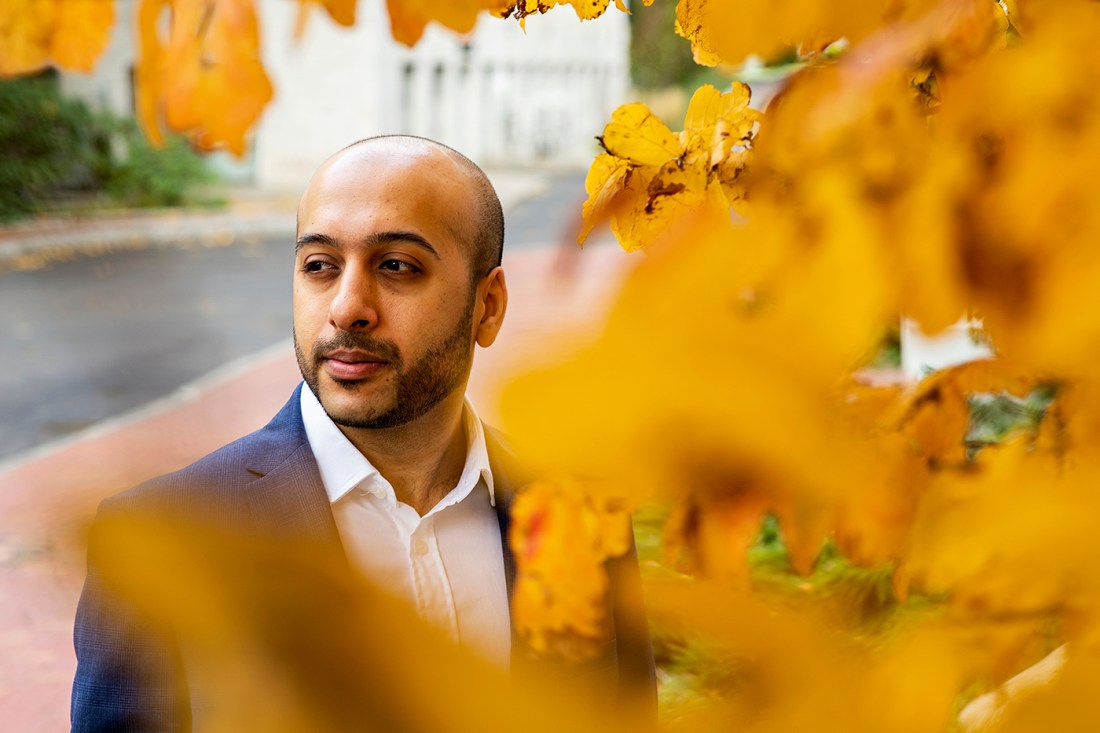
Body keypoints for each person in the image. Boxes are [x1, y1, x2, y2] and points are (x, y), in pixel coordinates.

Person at [71, 135, 656, 731]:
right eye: (320, 266)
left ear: (488, 307)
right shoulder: (163, 541)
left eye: (397, 266)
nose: (348, 307)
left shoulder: (581, 517)